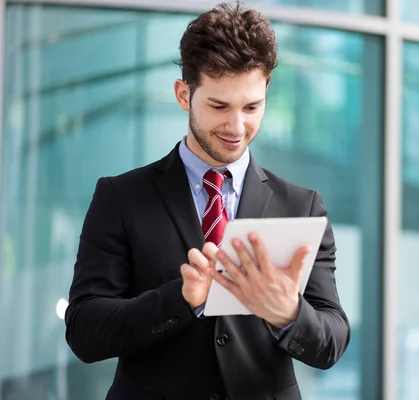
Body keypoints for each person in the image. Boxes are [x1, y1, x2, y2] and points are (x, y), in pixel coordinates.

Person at [64, 2, 350, 399]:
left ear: (266, 90)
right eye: (219, 106)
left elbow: (333, 341)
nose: (237, 127)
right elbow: (84, 331)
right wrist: (179, 299)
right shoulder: (121, 198)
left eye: (251, 107)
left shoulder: (302, 206)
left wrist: (289, 313)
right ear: (184, 94)